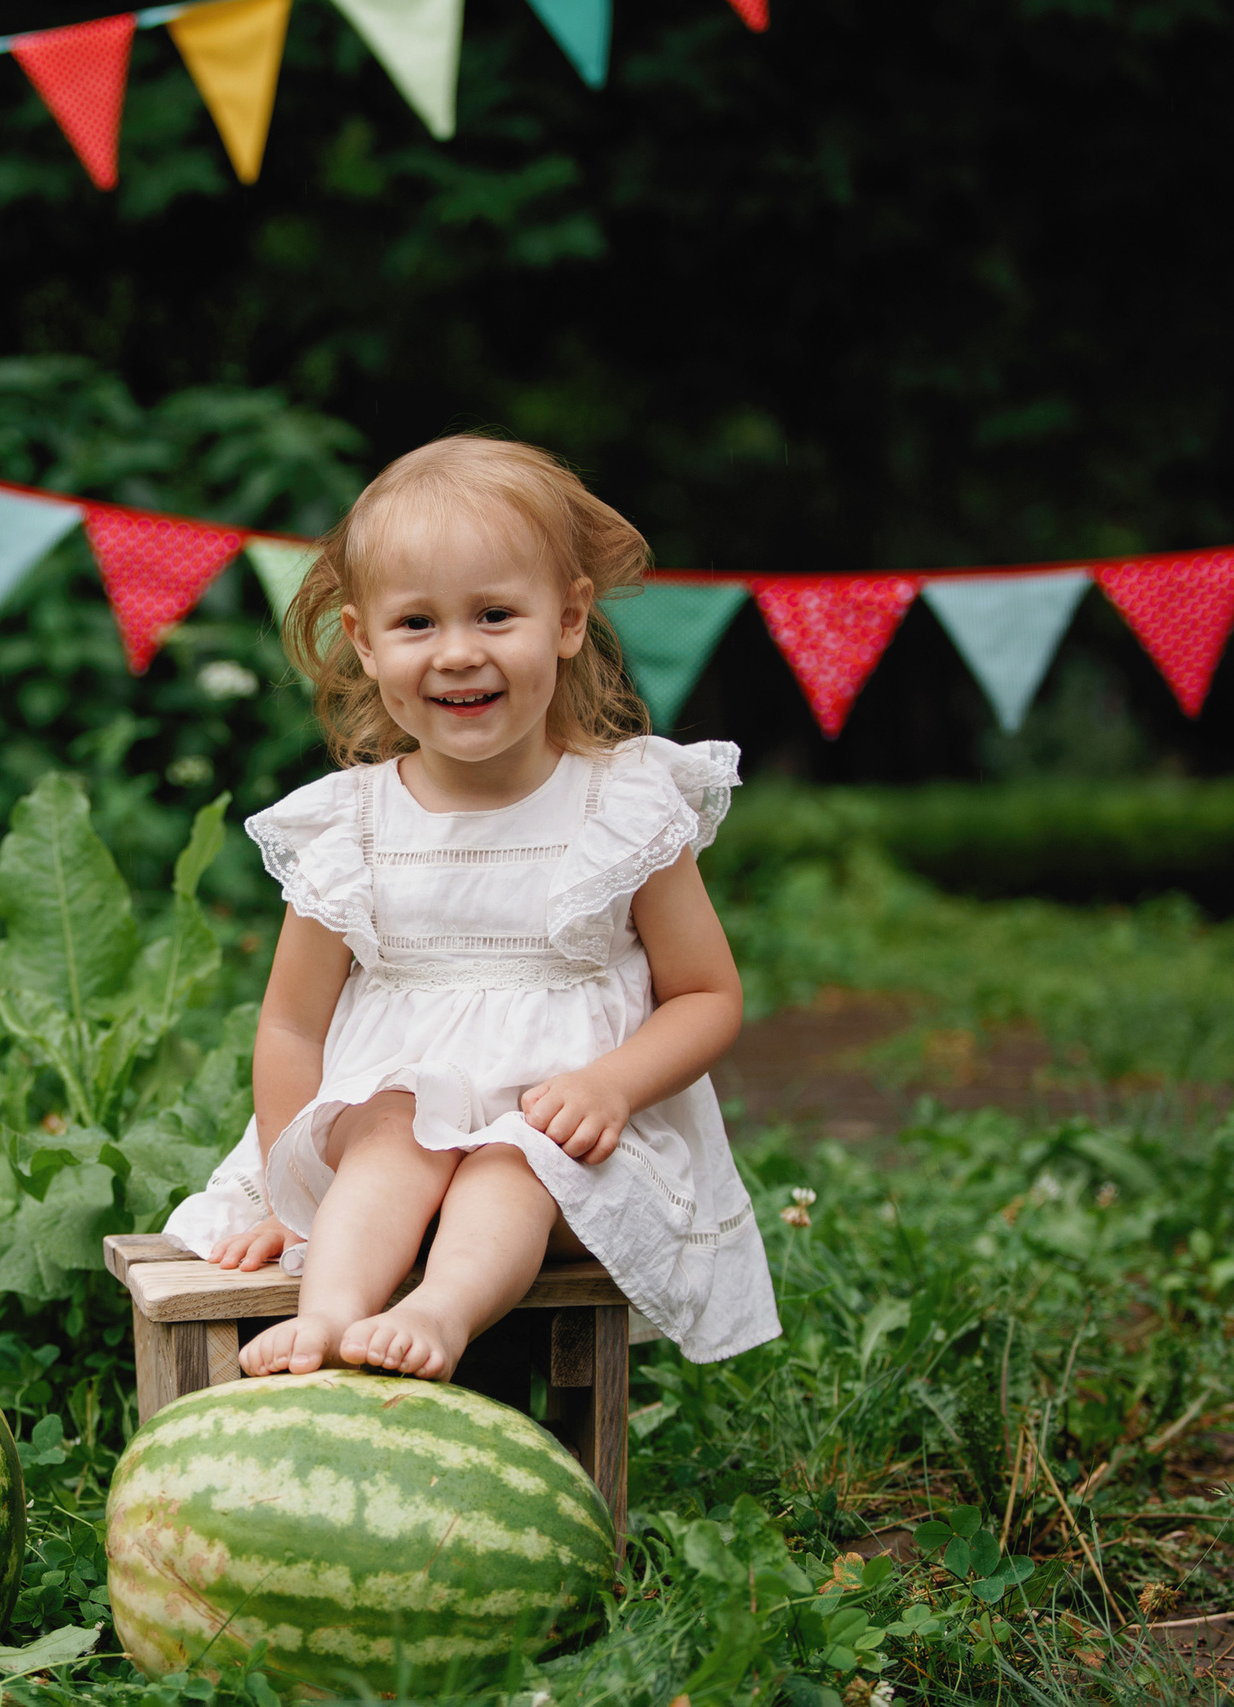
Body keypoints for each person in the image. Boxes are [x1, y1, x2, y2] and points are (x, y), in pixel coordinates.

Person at [164, 434, 780, 1379]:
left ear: (569, 619)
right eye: (417, 623)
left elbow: (707, 995)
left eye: (495, 614)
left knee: (512, 1163)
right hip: (397, 1148)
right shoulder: (352, 828)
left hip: (569, 1154)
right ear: (365, 643)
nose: (458, 653)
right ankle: (329, 1315)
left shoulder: (623, 807)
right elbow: (292, 1025)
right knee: (389, 1138)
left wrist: (611, 1085)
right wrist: (290, 1200)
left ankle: (443, 1312)